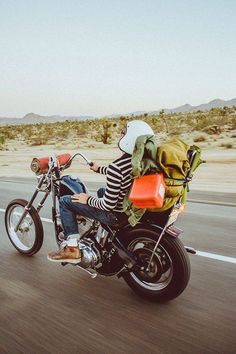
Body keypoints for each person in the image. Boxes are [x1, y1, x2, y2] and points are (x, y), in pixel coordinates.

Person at [48, 120, 154, 263]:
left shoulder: (117, 167)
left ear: (130, 139)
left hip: (116, 215)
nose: (120, 136)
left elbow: (108, 205)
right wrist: (99, 169)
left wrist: (87, 199)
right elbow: (119, 173)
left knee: (65, 201)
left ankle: (72, 249)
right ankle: (102, 235)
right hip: (131, 206)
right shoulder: (141, 161)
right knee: (101, 191)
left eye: (123, 133)